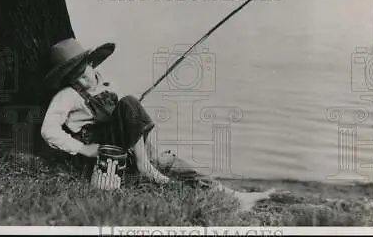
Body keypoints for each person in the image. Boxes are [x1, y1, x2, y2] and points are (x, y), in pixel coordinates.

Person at [40, 38, 276, 210]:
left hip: (127, 147)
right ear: (67, 80)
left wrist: (130, 114)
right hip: (104, 156)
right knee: (130, 104)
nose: (83, 80)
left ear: (92, 64)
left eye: (84, 73)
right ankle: (145, 166)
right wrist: (82, 149)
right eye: (75, 78)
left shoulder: (109, 83)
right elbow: (48, 129)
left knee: (174, 163)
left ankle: (234, 196)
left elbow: (125, 117)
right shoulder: (67, 96)